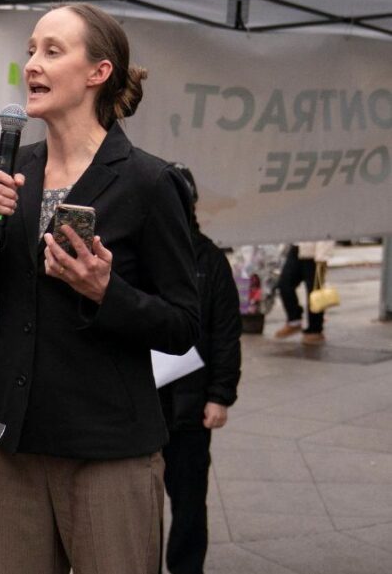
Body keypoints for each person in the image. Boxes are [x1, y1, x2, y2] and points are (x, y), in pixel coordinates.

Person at [0, 3, 199, 574]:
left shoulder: (149, 182)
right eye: (31, 49)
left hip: (107, 450)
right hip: (17, 446)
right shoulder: (14, 171)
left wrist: (107, 291)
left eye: (52, 51)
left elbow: (184, 326)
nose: (32, 63)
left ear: (97, 72)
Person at [160, 164, 242, 574]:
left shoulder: (210, 260)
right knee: (134, 502)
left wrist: (220, 396)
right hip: (137, 404)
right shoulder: (133, 252)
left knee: (189, 501)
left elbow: (227, 333)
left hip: (191, 408)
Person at [274, 240, 334, 346]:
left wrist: (322, 257)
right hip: (297, 247)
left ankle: (315, 329)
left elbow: (326, 230)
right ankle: (294, 320)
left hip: (315, 252)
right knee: (284, 284)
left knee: (314, 292)